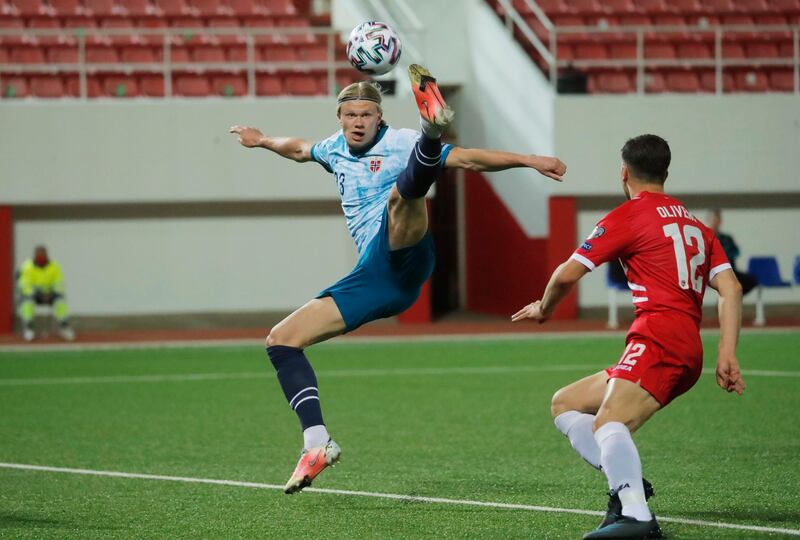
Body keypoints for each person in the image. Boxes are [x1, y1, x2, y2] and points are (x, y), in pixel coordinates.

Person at [230, 64, 567, 495]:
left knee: (400, 196)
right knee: (280, 341)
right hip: (376, 279)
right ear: (339, 118)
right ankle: (316, 443)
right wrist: (261, 141)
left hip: (406, 252)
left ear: (379, 117)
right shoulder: (333, 149)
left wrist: (529, 159)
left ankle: (432, 134)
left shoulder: (398, 141)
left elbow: (468, 159)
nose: (357, 122)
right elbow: (297, 148)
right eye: (350, 115)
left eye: (366, 115)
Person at [512, 135, 745, 539]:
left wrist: (544, 309)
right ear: (665, 173)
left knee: (608, 422)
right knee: (566, 404)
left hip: (660, 337)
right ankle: (628, 485)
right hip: (683, 341)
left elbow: (566, 273)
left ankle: (637, 516)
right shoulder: (697, 226)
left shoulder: (628, 216)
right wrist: (727, 354)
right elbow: (732, 289)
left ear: (624, 172)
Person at [17, 245, 75, 342]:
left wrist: (53, 293)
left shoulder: (54, 266)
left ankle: (64, 327)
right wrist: (37, 293)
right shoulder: (27, 266)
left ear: (47, 255)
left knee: (60, 301)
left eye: (43, 255)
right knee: (27, 303)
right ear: (35, 256)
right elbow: (25, 284)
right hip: (34, 294)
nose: (41, 258)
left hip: (50, 294)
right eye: (39, 255)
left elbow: (59, 282)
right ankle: (29, 329)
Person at [708, 209, 758, 295]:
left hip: (729, 270)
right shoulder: (705, 236)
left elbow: (736, 252)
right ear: (709, 220)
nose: (715, 222)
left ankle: (732, 297)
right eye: (713, 219)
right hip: (712, 272)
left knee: (751, 280)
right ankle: (728, 297)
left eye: (717, 219)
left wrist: (726, 254)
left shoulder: (727, 238)